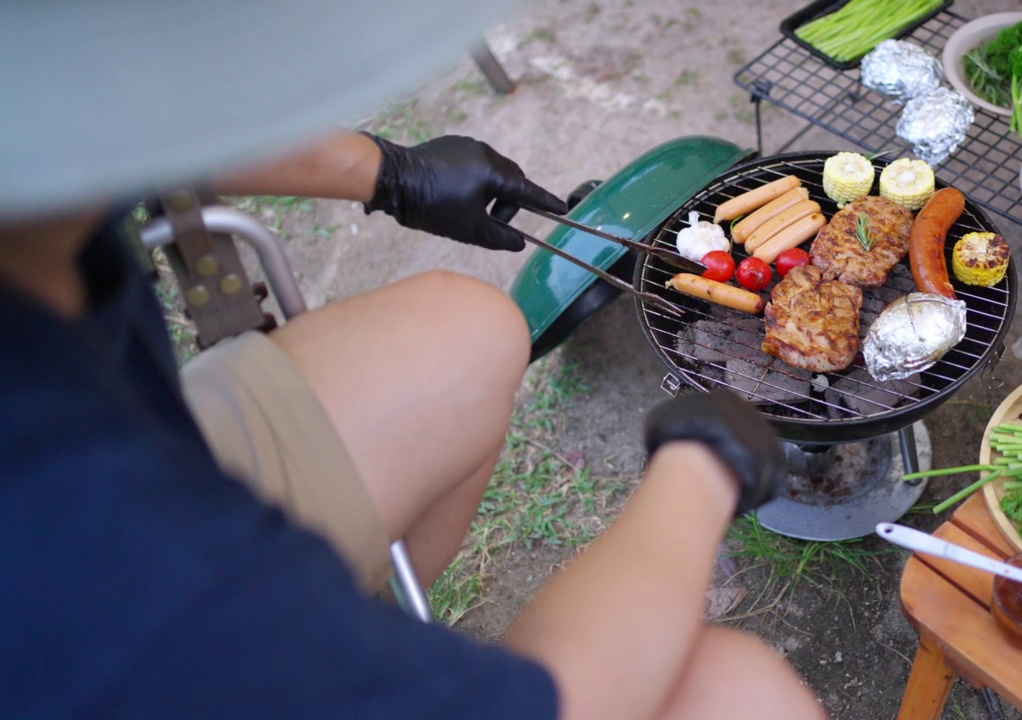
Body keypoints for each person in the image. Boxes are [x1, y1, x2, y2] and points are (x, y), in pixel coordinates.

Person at [0, 2, 827, 718]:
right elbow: (566, 702)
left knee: (464, 328)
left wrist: (391, 173)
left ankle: (373, 630)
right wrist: (702, 461)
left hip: (163, 454)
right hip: (151, 616)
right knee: (743, 695)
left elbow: (138, 128)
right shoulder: (88, 554)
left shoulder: (37, 156)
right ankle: (383, 667)